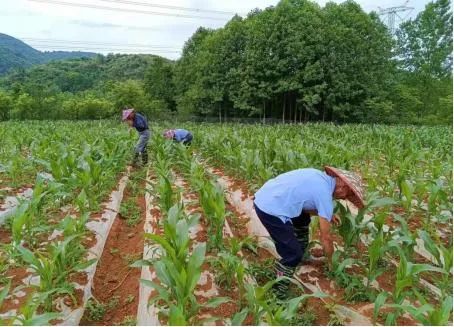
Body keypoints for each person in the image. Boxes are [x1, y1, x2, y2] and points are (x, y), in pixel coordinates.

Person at [253, 166, 365, 298]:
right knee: (292, 253)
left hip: (268, 194)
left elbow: (306, 203)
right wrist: (332, 263)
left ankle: (302, 257)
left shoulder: (319, 177)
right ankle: (278, 290)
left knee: (302, 219)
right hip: (270, 208)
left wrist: (325, 214)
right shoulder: (324, 194)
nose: (343, 198)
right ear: (343, 188)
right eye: (346, 196)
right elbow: (326, 238)